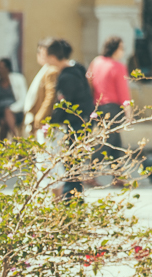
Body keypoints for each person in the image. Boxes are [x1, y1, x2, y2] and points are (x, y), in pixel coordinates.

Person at [46, 38, 94, 200]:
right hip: (84, 121)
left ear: (52, 57)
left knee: (71, 162)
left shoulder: (67, 77)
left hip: (75, 124)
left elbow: (63, 104)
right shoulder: (78, 69)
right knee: (75, 161)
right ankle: (74, 196)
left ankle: (70, 198)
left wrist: (51, 124)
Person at [88, 36, 132, 168]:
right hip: (112, 108)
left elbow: (89, 80)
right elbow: (123, 92)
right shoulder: (118, 67)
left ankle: (117, 173)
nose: (123, 51)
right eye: (121, 48)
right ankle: (91, 171)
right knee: (106, 141)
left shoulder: (96, 62)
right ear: (115, 49)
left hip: (98, 106)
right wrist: (128, 112)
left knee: (115, 142)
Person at [24, 38, 61, 133]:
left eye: (43, 53)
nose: (40, 56)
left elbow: (50, 96)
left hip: (44, 121)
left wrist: (40, 117)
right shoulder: (46, 69)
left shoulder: (51, 70)